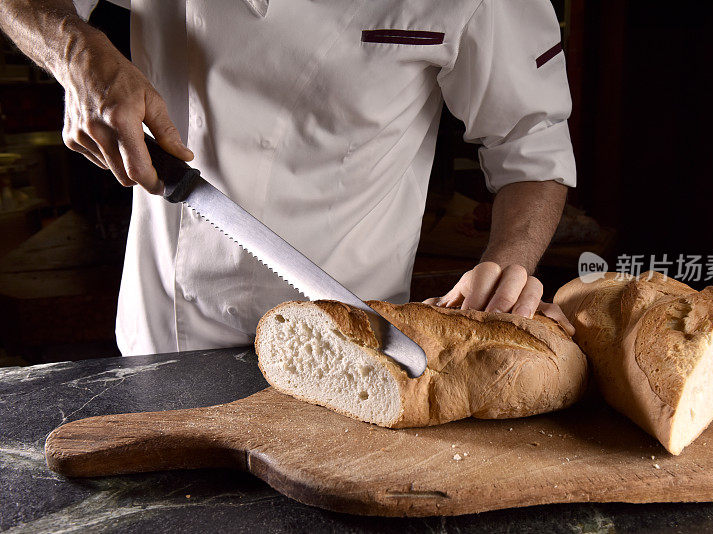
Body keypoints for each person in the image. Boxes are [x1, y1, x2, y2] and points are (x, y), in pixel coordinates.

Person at [0, 0, 576, 356]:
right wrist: (76, 52)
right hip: (169, 336)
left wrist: (509, 266)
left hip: (360, 342)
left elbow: (529, 140)